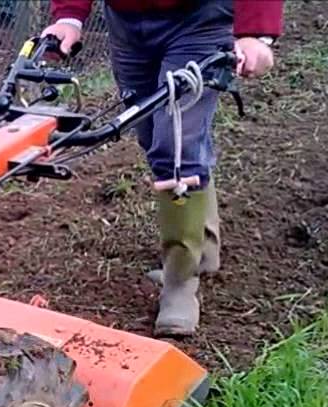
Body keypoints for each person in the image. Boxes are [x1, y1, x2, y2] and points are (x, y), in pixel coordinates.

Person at [42, 0, 283, 336]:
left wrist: (256, 33)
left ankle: (180, 285)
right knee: (152, 133)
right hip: (128, 23)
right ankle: (204, 246)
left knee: (175, 145)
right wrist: (69, 16)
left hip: (199, 19)